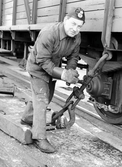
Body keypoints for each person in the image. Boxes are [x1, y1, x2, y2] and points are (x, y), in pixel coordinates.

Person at [20, 7, 85, 153]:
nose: (75, 29)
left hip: (52, 69)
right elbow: (42, 60)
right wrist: (62, 74)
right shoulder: (49, 33)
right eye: (73, 24)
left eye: (79, 26)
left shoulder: (76, 37)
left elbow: (73, 56)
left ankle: (26, 118)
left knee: (45, 97)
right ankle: (39, 137)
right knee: (42, 98)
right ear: (65, 20)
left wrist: (70, 70)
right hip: (38, 68)